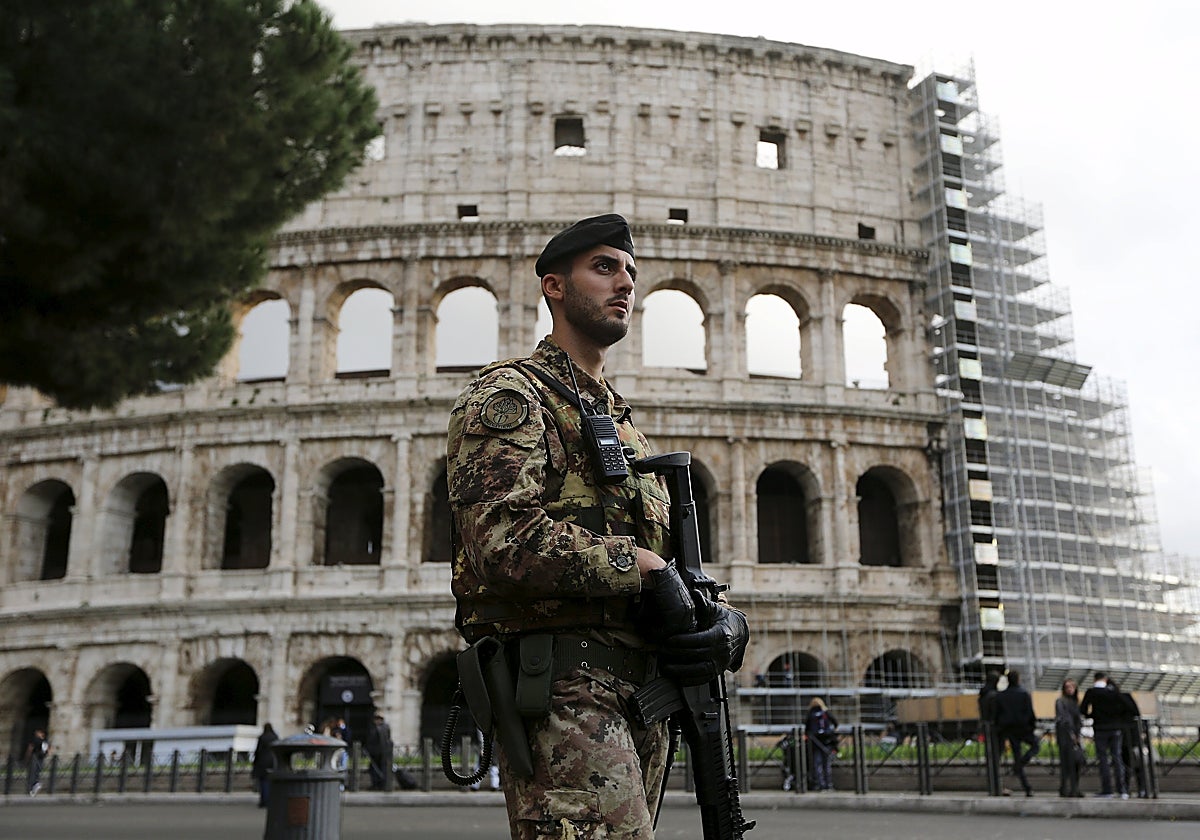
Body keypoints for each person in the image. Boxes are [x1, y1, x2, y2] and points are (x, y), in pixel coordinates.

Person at [447, 213, 749, 839]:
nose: (624, 285)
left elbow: (669, 559)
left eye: (631, 274)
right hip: (563, 690)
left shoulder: (623, 422)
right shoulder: (511, 398)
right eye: (605, 268)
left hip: (642, 697)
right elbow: (500, 545)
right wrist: (638, 568)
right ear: (554, 286)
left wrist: (724, 622)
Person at [1080, 671, 1128, 798]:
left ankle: (1107, 790)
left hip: (1100, 728)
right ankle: (1122, 789)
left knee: (1103, 760)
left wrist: (1093, 715)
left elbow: (1083, 709)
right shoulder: (1114, 692)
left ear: (1094, 679)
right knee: (1117, 758)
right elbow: (1124, 707)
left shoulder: (1091, 692)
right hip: (1115, 728)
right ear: (1105, 679)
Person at [993, 669, 1039, 796]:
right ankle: (1022, 763)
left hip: (1010, 730)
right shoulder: (1024, 693)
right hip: (1024, 728)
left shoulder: (1001, 695)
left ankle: (1027, 787)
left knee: (1016, 755)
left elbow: (998, 714)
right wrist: (1032, 726)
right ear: (1018, 679)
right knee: (1035, 746)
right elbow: (1030, 712)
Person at [1110, 679, 1148, 798]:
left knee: (1136, 763)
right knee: (1124, 763)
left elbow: (1135, 712)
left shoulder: (1124, 697)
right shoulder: (1108, 702)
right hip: (1120, 736)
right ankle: (1124, 788)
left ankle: (1141, 788)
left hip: (1131, 736)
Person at [1054, 678, 1084, 798]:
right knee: (1068, 763)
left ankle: (1072, 788)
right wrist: (1073, 734)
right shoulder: (1061, 701)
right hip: (1066, 736)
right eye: (1067, 687)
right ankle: (1068, 788)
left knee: (1075, 763)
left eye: (1072, 687)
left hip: (1074, 736)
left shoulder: (1076, 702)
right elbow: (1064, 719)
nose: (1070, 689)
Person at [977, 670, 1004, 796]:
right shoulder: (994, 695)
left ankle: (992, 786)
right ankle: (997, 787)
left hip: (986, 727)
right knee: (996, 758)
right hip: (995, 730)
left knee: (990, 758)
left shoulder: (983, 694)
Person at [804, 698, 838, 792]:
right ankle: (829, 784)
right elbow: (835, 723)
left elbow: (806, 728)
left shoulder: (810, 714)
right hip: (826, 741)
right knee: (826, 764)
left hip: (815, 742)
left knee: (817, 764)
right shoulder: (826, 712)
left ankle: (820, 784)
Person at [251, 723, 278, 807]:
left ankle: (264, 801)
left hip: (262, 762)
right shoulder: (275, 737)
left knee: (263, 783)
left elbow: (258, 751)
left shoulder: (262, 737)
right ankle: (270, 800)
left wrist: (255, 762)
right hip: (272, 761)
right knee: (269, 782)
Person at [366, 714, 393, 791]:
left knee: (374, 769)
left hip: (377, 753)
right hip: (384, 753)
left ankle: (376, 785)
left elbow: (373, 741)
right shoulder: (386, 727)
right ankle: (382, 785)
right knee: (382, 769)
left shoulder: (376, 729)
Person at [24, 728, 50, 796]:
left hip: (34, 757)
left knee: (32, 773)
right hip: (41, 758)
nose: (36, 733)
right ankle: (35, 785)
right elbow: (48, 751)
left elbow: (30, 748)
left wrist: (27, 757)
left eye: (37, 732)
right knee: (37, 772)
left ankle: (32, 788)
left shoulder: (35, 740)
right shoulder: (45, 741)